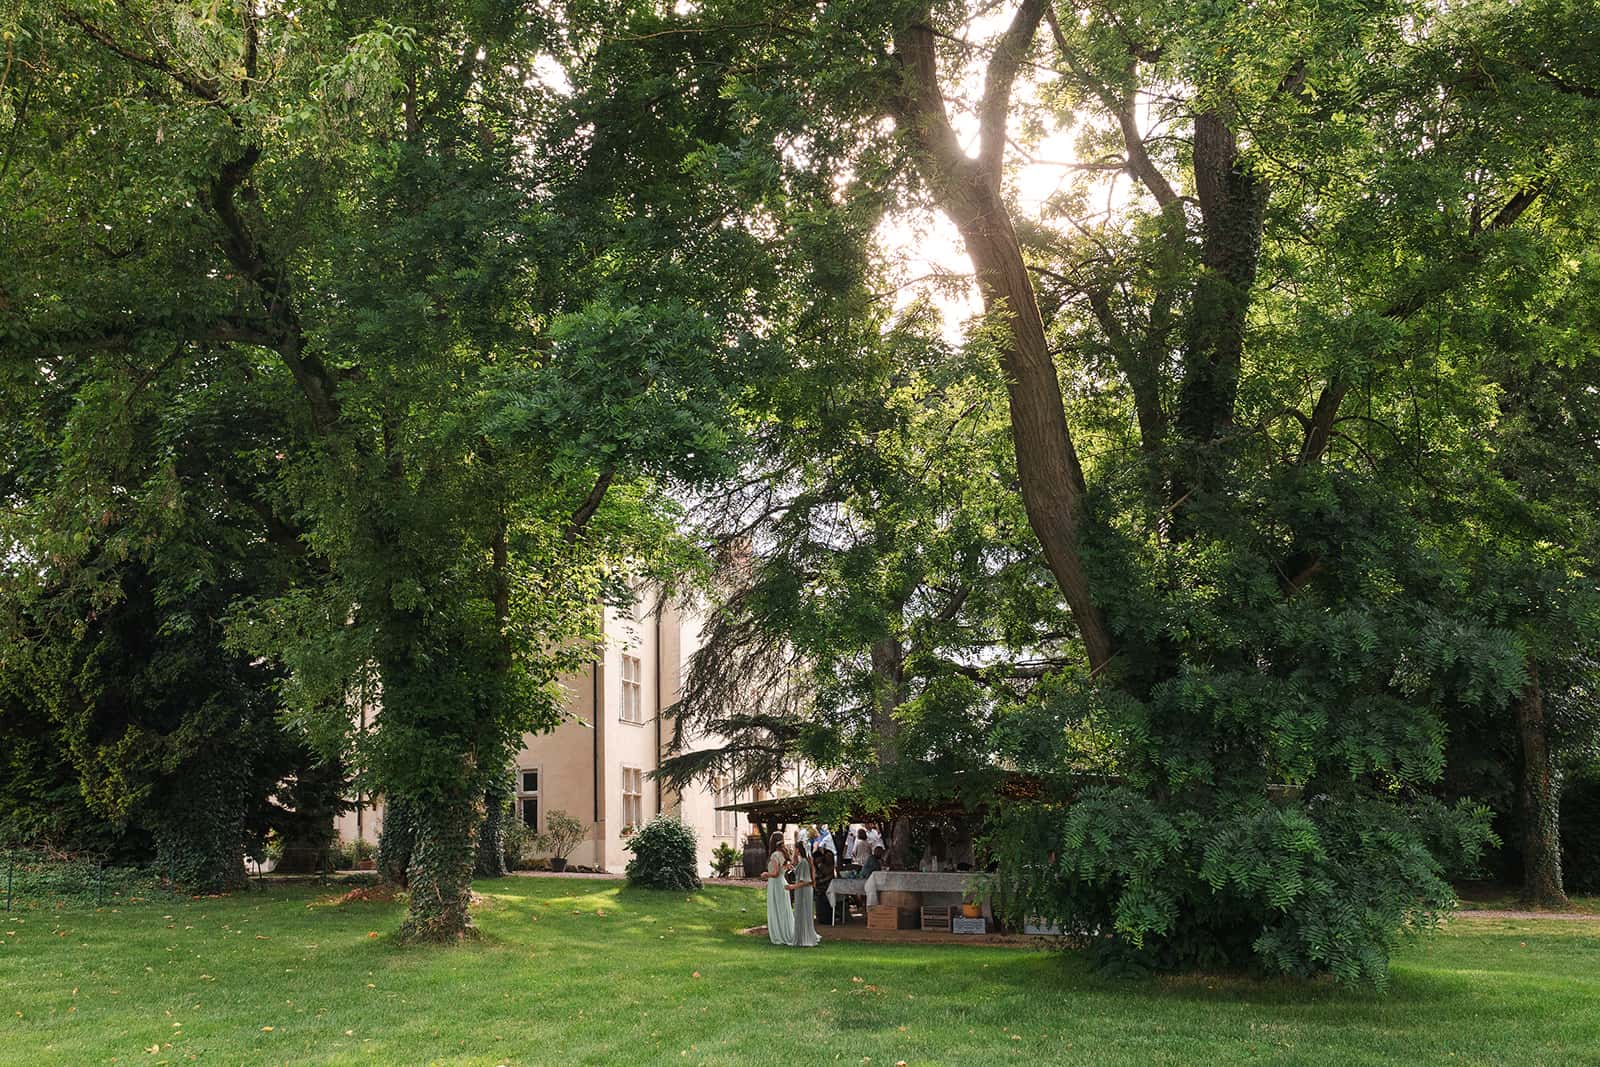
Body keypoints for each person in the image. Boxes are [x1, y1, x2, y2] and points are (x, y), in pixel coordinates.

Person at [765, 831, 796, 946]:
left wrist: (765, 874)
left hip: (776, 884)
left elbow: (775, 873)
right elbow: (784, 869)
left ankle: (779, 934)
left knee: (777, 908)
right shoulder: (783, 854)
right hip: (783, 882)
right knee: (783, 909)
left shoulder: (774, 855)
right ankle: (787, 931)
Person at [790, 844, 821, 947]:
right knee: (801, 912)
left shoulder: (803, 862)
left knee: (803, 912)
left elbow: (805, 881)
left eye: (795, 849)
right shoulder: (803, 862)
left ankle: (804, 938)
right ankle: (801, 936)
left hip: (803, 890)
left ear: (798, 849)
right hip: (802, 890)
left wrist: (792, 887)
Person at [813, 846, 835, 925]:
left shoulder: (826, 865)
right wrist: (826, 879)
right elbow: (819, 879)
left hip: (825, 887)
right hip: (821, 888)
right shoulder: (820, 866)